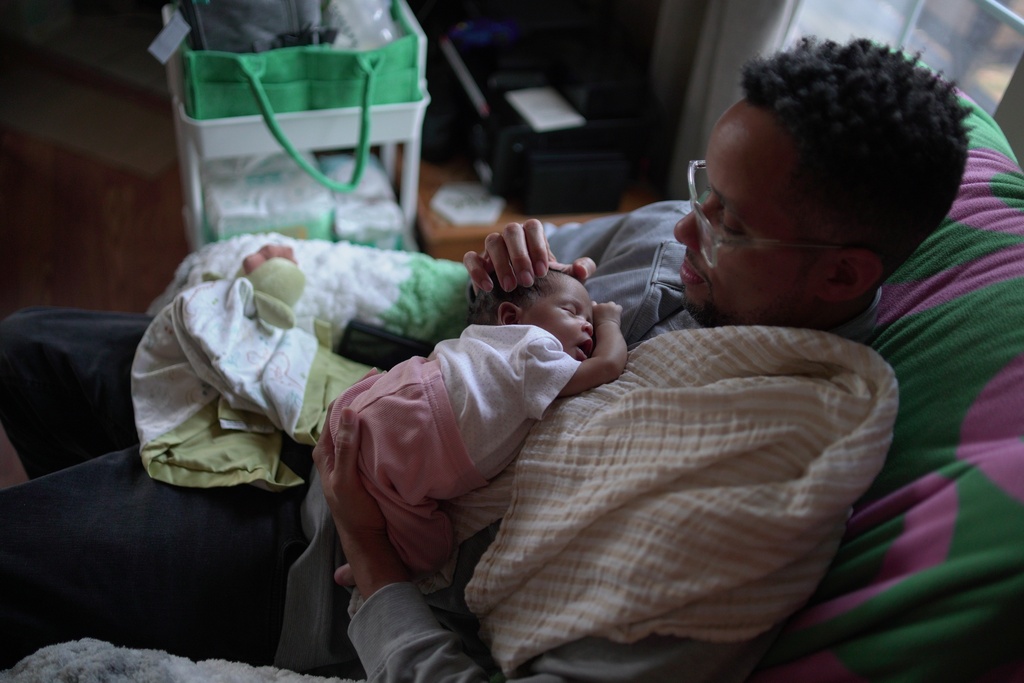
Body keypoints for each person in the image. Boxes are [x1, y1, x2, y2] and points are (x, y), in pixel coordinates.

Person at [0, 36, 969, 682]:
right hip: (336, 405)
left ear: (841, 273)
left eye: (731, 225)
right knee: (25, 348)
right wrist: (496, 273)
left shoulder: (759, 483)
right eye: (701, 189)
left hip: (314, 558)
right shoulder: (666, 236)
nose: (686, 228)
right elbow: (496, 305)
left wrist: (371, 555)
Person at [324, 269, 626, 582]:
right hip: (415, 437)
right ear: (511, 318)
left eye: (589, 320)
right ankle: (366, 564)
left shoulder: (478, 338)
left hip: (376, 403)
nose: (587, 325)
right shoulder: (532, 347)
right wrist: (609, 322)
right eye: (571, 311)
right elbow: (607, 365)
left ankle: (361, 554)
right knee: (428, 554)